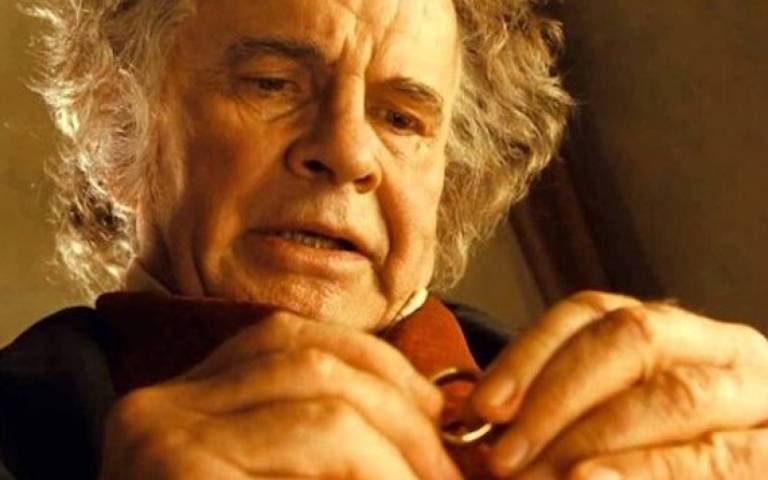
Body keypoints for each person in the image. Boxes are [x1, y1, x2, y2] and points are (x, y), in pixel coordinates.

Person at [2, 0, 768, 478]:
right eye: (271, 83)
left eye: (401, 118)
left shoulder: (622, 418)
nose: (347, 152)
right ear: (118, 129)